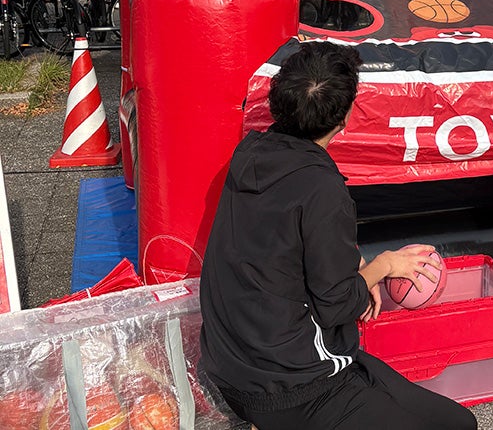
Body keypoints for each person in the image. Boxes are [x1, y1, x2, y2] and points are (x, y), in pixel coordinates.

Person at [199, 41, 477, 430]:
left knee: (456, 422)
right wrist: (383, 266)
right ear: (344, 118)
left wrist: (355, 262)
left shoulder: (251, 154)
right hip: (295, 387)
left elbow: (285, 246)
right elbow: (338, 306)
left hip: (233, 365)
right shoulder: (322, 189)